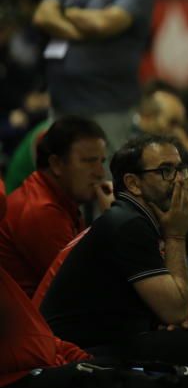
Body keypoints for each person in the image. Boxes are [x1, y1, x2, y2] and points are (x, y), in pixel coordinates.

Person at [39, 134, 188, 384]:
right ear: (134, 183)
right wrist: (176, 237)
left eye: (180, 170)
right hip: (73, 356)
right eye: (166, 171)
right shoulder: (128, 225)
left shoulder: (134, 219)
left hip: (98, 342)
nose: (179, 180)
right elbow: (175, 311)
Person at [31, 0, 154, 152]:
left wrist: (66, 11)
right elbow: (42, 16)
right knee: (58, 182)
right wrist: (80, 29)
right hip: (61, 106)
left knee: (105, 181)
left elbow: (105, 24)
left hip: (108, 109)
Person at [0, 116, 112, 298]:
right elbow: (88, 287)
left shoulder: (57, 199)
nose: (100, 173)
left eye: (101, 161)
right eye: (89, 161)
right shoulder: (42, 210)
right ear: (56, 164)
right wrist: (111, 219)